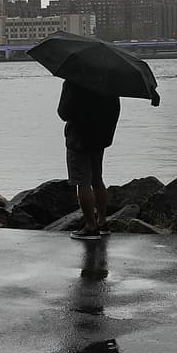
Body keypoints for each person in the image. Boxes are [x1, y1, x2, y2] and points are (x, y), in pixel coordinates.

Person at [57, 79, 122, 239]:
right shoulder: (108, 82)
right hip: (100, 137)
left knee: (82, 182)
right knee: (97, 179)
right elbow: (115, 110)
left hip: (79, 138)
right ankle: (102, 221)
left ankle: (90, 226)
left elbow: (63, 112)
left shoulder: (74, 81)